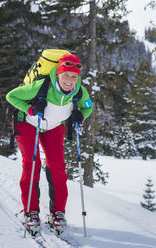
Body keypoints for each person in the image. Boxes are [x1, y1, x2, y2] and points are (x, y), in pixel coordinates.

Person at [6, 53, 93, 235]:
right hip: (28, 122)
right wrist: (30, 108)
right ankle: (31, 212)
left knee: (58, 167)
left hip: (53, 126)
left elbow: (88, 106)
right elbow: (11, 96)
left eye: (73, 76)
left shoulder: (79, 91)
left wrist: (81, 115)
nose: (69, 80)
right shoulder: (41, 87)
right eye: (65, 75)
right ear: (58, 74)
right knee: (32, 163)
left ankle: (58, 213)